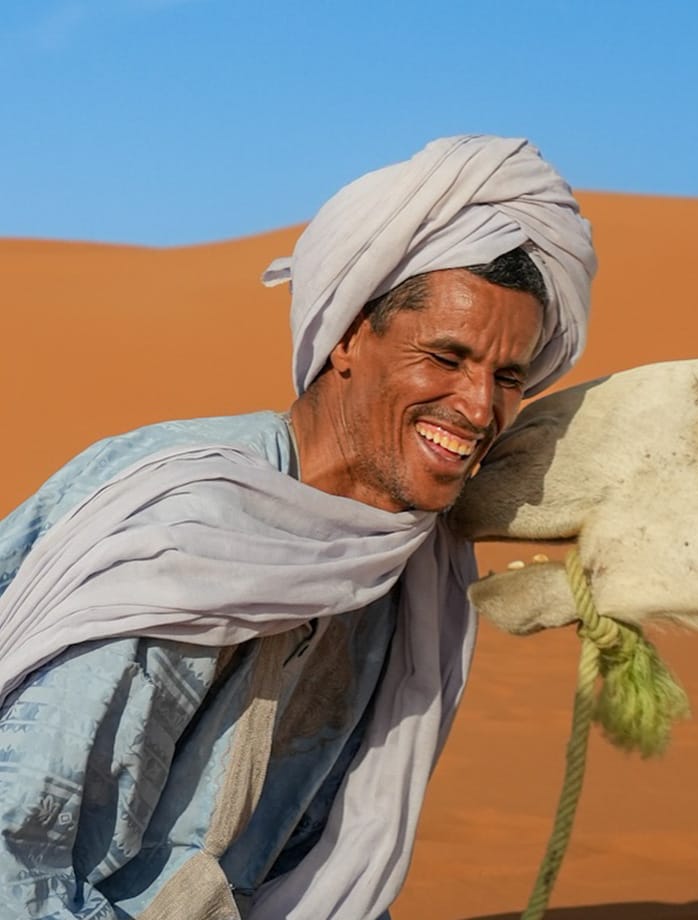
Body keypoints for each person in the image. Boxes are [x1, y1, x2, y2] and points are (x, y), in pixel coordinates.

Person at [0, 135, 597, 919]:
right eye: (446, 357)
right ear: (349, 336)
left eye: (508, 375)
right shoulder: (191, 535)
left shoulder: (404, 561)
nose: (481, 408)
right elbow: (17, 854)